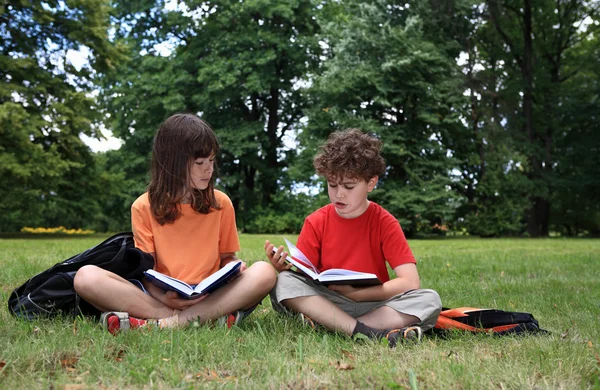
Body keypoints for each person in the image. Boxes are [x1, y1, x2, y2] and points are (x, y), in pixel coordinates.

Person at [74, 113, 277, 333]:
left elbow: (228, 258)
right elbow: (146, 271)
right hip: (163, 299)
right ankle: (203, 320)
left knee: (264, 272)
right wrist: (165, 297)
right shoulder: (143, 206)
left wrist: (233, 268)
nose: (209, 169)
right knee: (86, 277)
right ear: (172, 163)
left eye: (211, 160)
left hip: (213, 295)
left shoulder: (221, 203)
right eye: (200, 162)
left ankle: (161, 325)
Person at [265, 129, 441, 347]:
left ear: (371, 183)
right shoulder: (315, 221)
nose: (339, 194)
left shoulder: (385, 222)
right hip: (329, 302)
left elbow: (410, 281)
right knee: (284, 282)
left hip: (375, 303)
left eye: (349, 186)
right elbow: (303, 279)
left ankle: (337, 326)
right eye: (332, 185)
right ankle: (363, 331)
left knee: (429, 299)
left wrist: (361, 295)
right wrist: (282, 268)